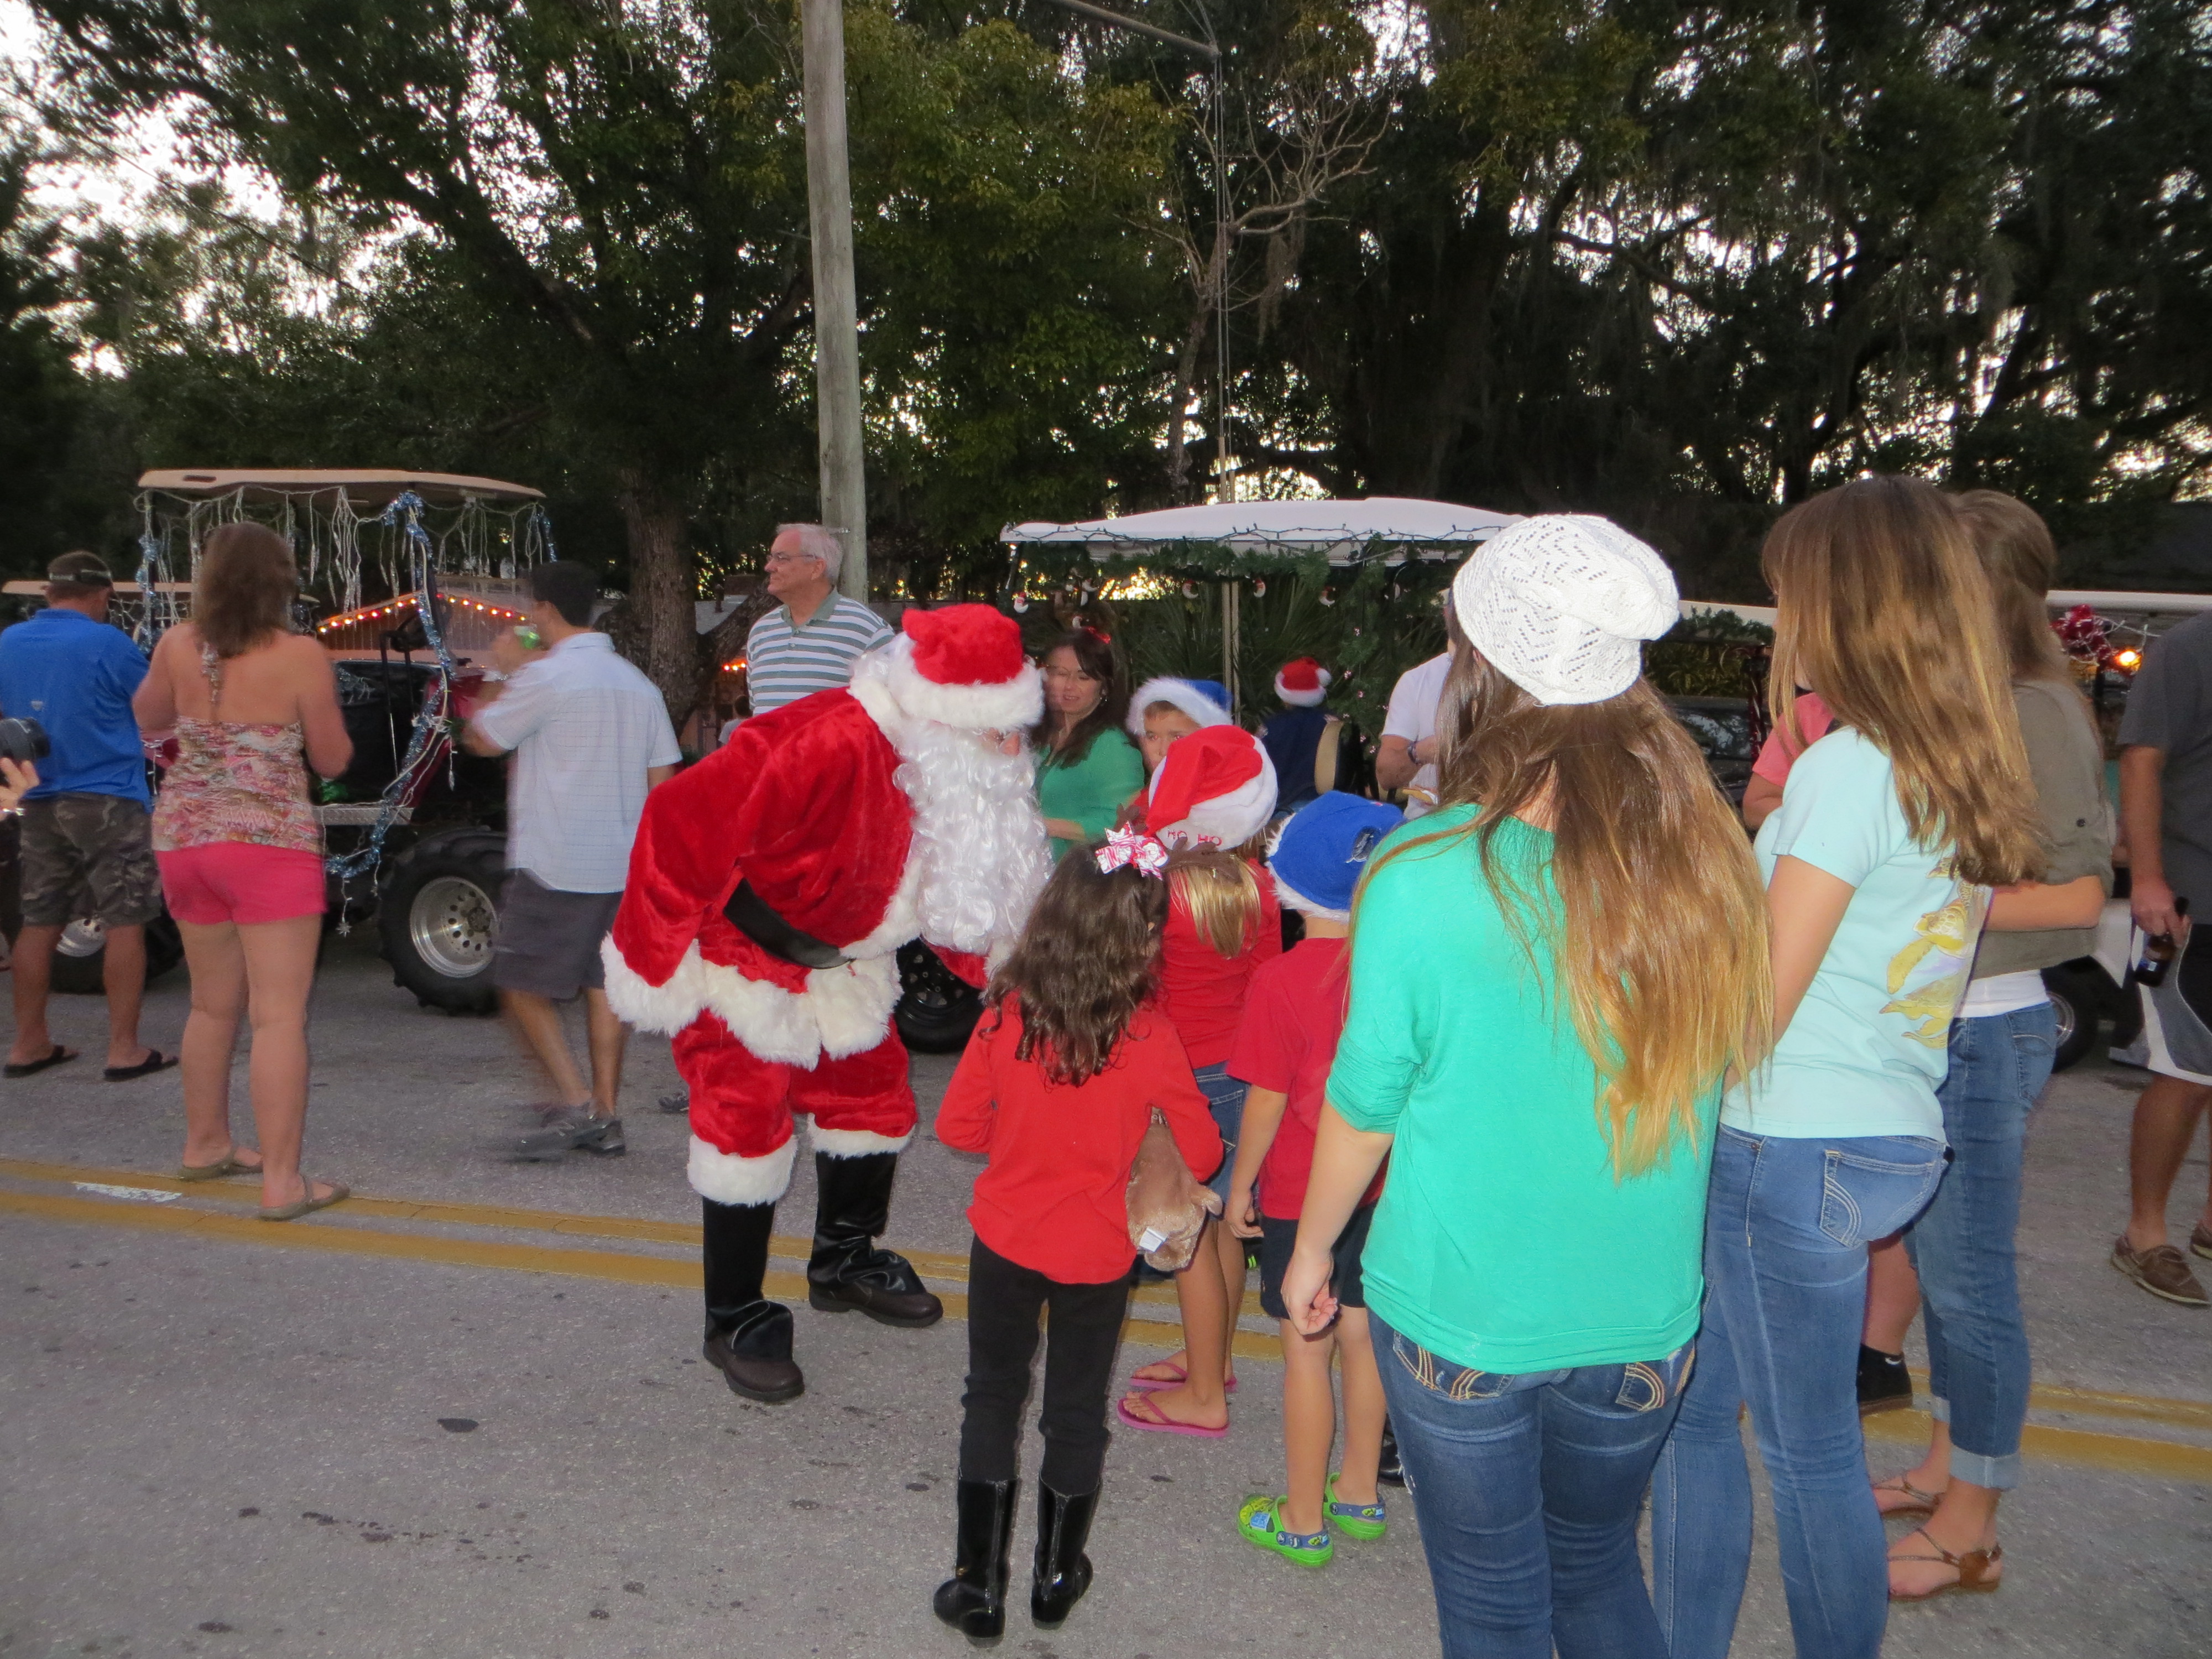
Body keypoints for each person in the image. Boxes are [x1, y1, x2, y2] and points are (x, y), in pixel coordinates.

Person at [1285, 514, 1766, 1659]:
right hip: (1641, 1319)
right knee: (1596, 1569)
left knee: (1494, 1603)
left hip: (1463, 1317)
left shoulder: (1422, 868)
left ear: (1483, 670)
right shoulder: (1710, 860)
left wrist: (1311, 1250)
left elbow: (1366, 1100)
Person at [1652, 476, 2042, 1659]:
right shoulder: (1955, 762)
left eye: (1792, 594)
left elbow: (1758, 1003)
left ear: (1848, 602)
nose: (1785, 620)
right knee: (1721, 1421)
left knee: (1792, 1445)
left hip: (1785, 1133)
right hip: (1882, 1128)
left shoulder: (1845, 766)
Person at [603, 604, 1052, 1404]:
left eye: (1017, 730)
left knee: (872, 1100)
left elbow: (958, 901)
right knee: (744, 1126)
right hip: (742, 959)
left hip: (847, 962)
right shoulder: (823, 740)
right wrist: (650, 955)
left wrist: (1024, 981)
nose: (1013, 750)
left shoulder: (953, 769)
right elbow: (678, 817)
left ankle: (844, 1261)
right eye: (998, 731)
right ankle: (734, 1316)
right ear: (945, 712)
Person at [1869, 489, 2111, 1598]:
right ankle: (1945, 1467)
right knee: (1937, 1269)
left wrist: (1913, 907)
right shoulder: (1964, 701)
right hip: (1937, 1027)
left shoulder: (2036, 708)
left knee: (1968, 1285)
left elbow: (2078, 895)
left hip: (1982, 1028)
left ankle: (1972, 1527)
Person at [931, 840, 1221, 1640]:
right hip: (1096, 1256)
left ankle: (978, 1585)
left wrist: (1024, 1140)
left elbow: (958, 1126)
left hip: (1006, 1239)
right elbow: (1200, 1153)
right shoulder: (1151, 1035)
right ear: (1142, 941)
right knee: (1075, 1410)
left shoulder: (1006, 1013)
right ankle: (1056, 1579)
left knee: (992, 1396)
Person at [132, 523, 355, 1219]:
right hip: (267, 844)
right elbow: (332, 760)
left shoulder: (178, 644)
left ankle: (206, 1144)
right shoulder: (299, 654)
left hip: (185, 839)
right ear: (279, 582)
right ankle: (283, 1182)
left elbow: (147, 719)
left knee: (209, 1005)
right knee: (279, 1016)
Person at [1227, 792, 1402, 1569]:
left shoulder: (1281, 980)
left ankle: (1301, 1518)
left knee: (1307, 1344)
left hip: (1303, 1192)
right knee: (1363, 1335)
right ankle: (1358, 1492)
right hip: (1383, 1186)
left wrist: (1241, 1185)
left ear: (1285, 885)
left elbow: (1266, 1100)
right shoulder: (1397, 972)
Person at [462, 561, 681, 1159]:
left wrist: (499, 672)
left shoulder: (545, 676)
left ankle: (575, 1102)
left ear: (544, 610)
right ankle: (605, 1112)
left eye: (529, 608)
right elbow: (662, 779)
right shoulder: (637, 683)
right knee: (603, 987)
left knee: (518, 985)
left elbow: (482, 738)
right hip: (622, 862)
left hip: (555, 860)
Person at [1113, 726, 1280, 1437]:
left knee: (1188, 1240)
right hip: (1239, 1075)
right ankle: (1214, 1358)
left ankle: (1206, 1394)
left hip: (1179, 1079)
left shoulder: (1154, 890)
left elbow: (1133, 988)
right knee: (1221, 1231)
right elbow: (1265, 987)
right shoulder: (1259, 885)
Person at [0, 551, 170, 1082]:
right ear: (101, 595)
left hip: (38, 797)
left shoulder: (8, 642)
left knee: (38, 920)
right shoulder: (107, 643)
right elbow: (157, 710)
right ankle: (124, 1049)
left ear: (49, 593)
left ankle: (29, 1043)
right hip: (107, 798)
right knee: (125, 921)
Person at [2108, 592, 2212, 1307]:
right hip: (2192, 898)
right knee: (2184, 1072)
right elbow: (2142, 760)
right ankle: (2143, 1235)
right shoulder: (2189, 648)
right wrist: (2147, 878)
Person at [741, 524, 894, 717]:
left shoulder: (868, 630)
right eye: (771, 558)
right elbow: (757, 711)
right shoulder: (761, 631)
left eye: (781, 558)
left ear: (817, 568)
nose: (769, 567)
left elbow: (893, 715)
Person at [1030, 627, 1143, 862]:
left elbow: (1122, 823)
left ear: (1105, 687)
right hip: (1034, 870)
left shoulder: (1113, 746)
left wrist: (1042, 826)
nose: (1069, 686)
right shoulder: (1041, 735)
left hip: (1080, 875)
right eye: (1060, 674)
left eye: (1083, 677)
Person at [1256, 657, 1347, 812]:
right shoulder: (1333, 723)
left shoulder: (1272, 726)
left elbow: (1260, 766)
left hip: (1283, 807)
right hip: (1327, 805)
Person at [1376, 649, 1449, 817]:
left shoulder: (1507, 673)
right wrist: (1421, 752)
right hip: (1426, 822)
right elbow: (1386, 777)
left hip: (1497, 822)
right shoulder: (1418, 679)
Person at [1124, 676, 1232, 781]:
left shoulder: (1230, 790)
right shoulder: (1152, 792)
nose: (1163, 751)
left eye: (1178, 737)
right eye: (1153, 737)